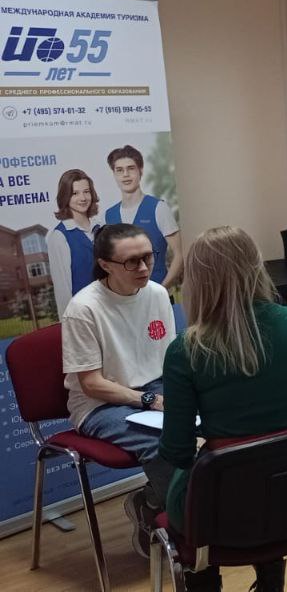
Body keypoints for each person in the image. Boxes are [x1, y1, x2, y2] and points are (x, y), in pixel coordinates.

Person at [159, 226, 287, 592]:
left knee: (188, 491)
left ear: (197, 281)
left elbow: (176, 451)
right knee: (263, 476)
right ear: (256, 267)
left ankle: (205, 581)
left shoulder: (185, 350)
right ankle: (270, 578)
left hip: (218, 510)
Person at [60, 223, 175, 558]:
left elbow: (169, 360)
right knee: (162, 441)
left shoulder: (156, 294)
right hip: (99, 404)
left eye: (148, 257)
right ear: (105, 264)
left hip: (153, 387)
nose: (143, 267)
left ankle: (153, 502)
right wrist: (149, 400)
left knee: (212, 419)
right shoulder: (83, 309)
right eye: (131, 262)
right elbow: (91, 384)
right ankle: (181, 525)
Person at [105, 145, 183, 289]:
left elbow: (179, 255)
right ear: (114, 174)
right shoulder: (110, 215)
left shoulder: (158, 208)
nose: (125, 174)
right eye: (119, 170)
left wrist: (162, 289)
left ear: (140, 171)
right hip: (125, 297)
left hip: (157, 293)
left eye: (131, 168)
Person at [46, 169, 103, 315]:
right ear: (65, 196)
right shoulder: (59, 236)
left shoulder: (101, 227)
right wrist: (68, 323)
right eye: (75, 193)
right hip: (83, 315)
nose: (83, 198)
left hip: (110, 309)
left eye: (86, 192)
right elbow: (62, 289)